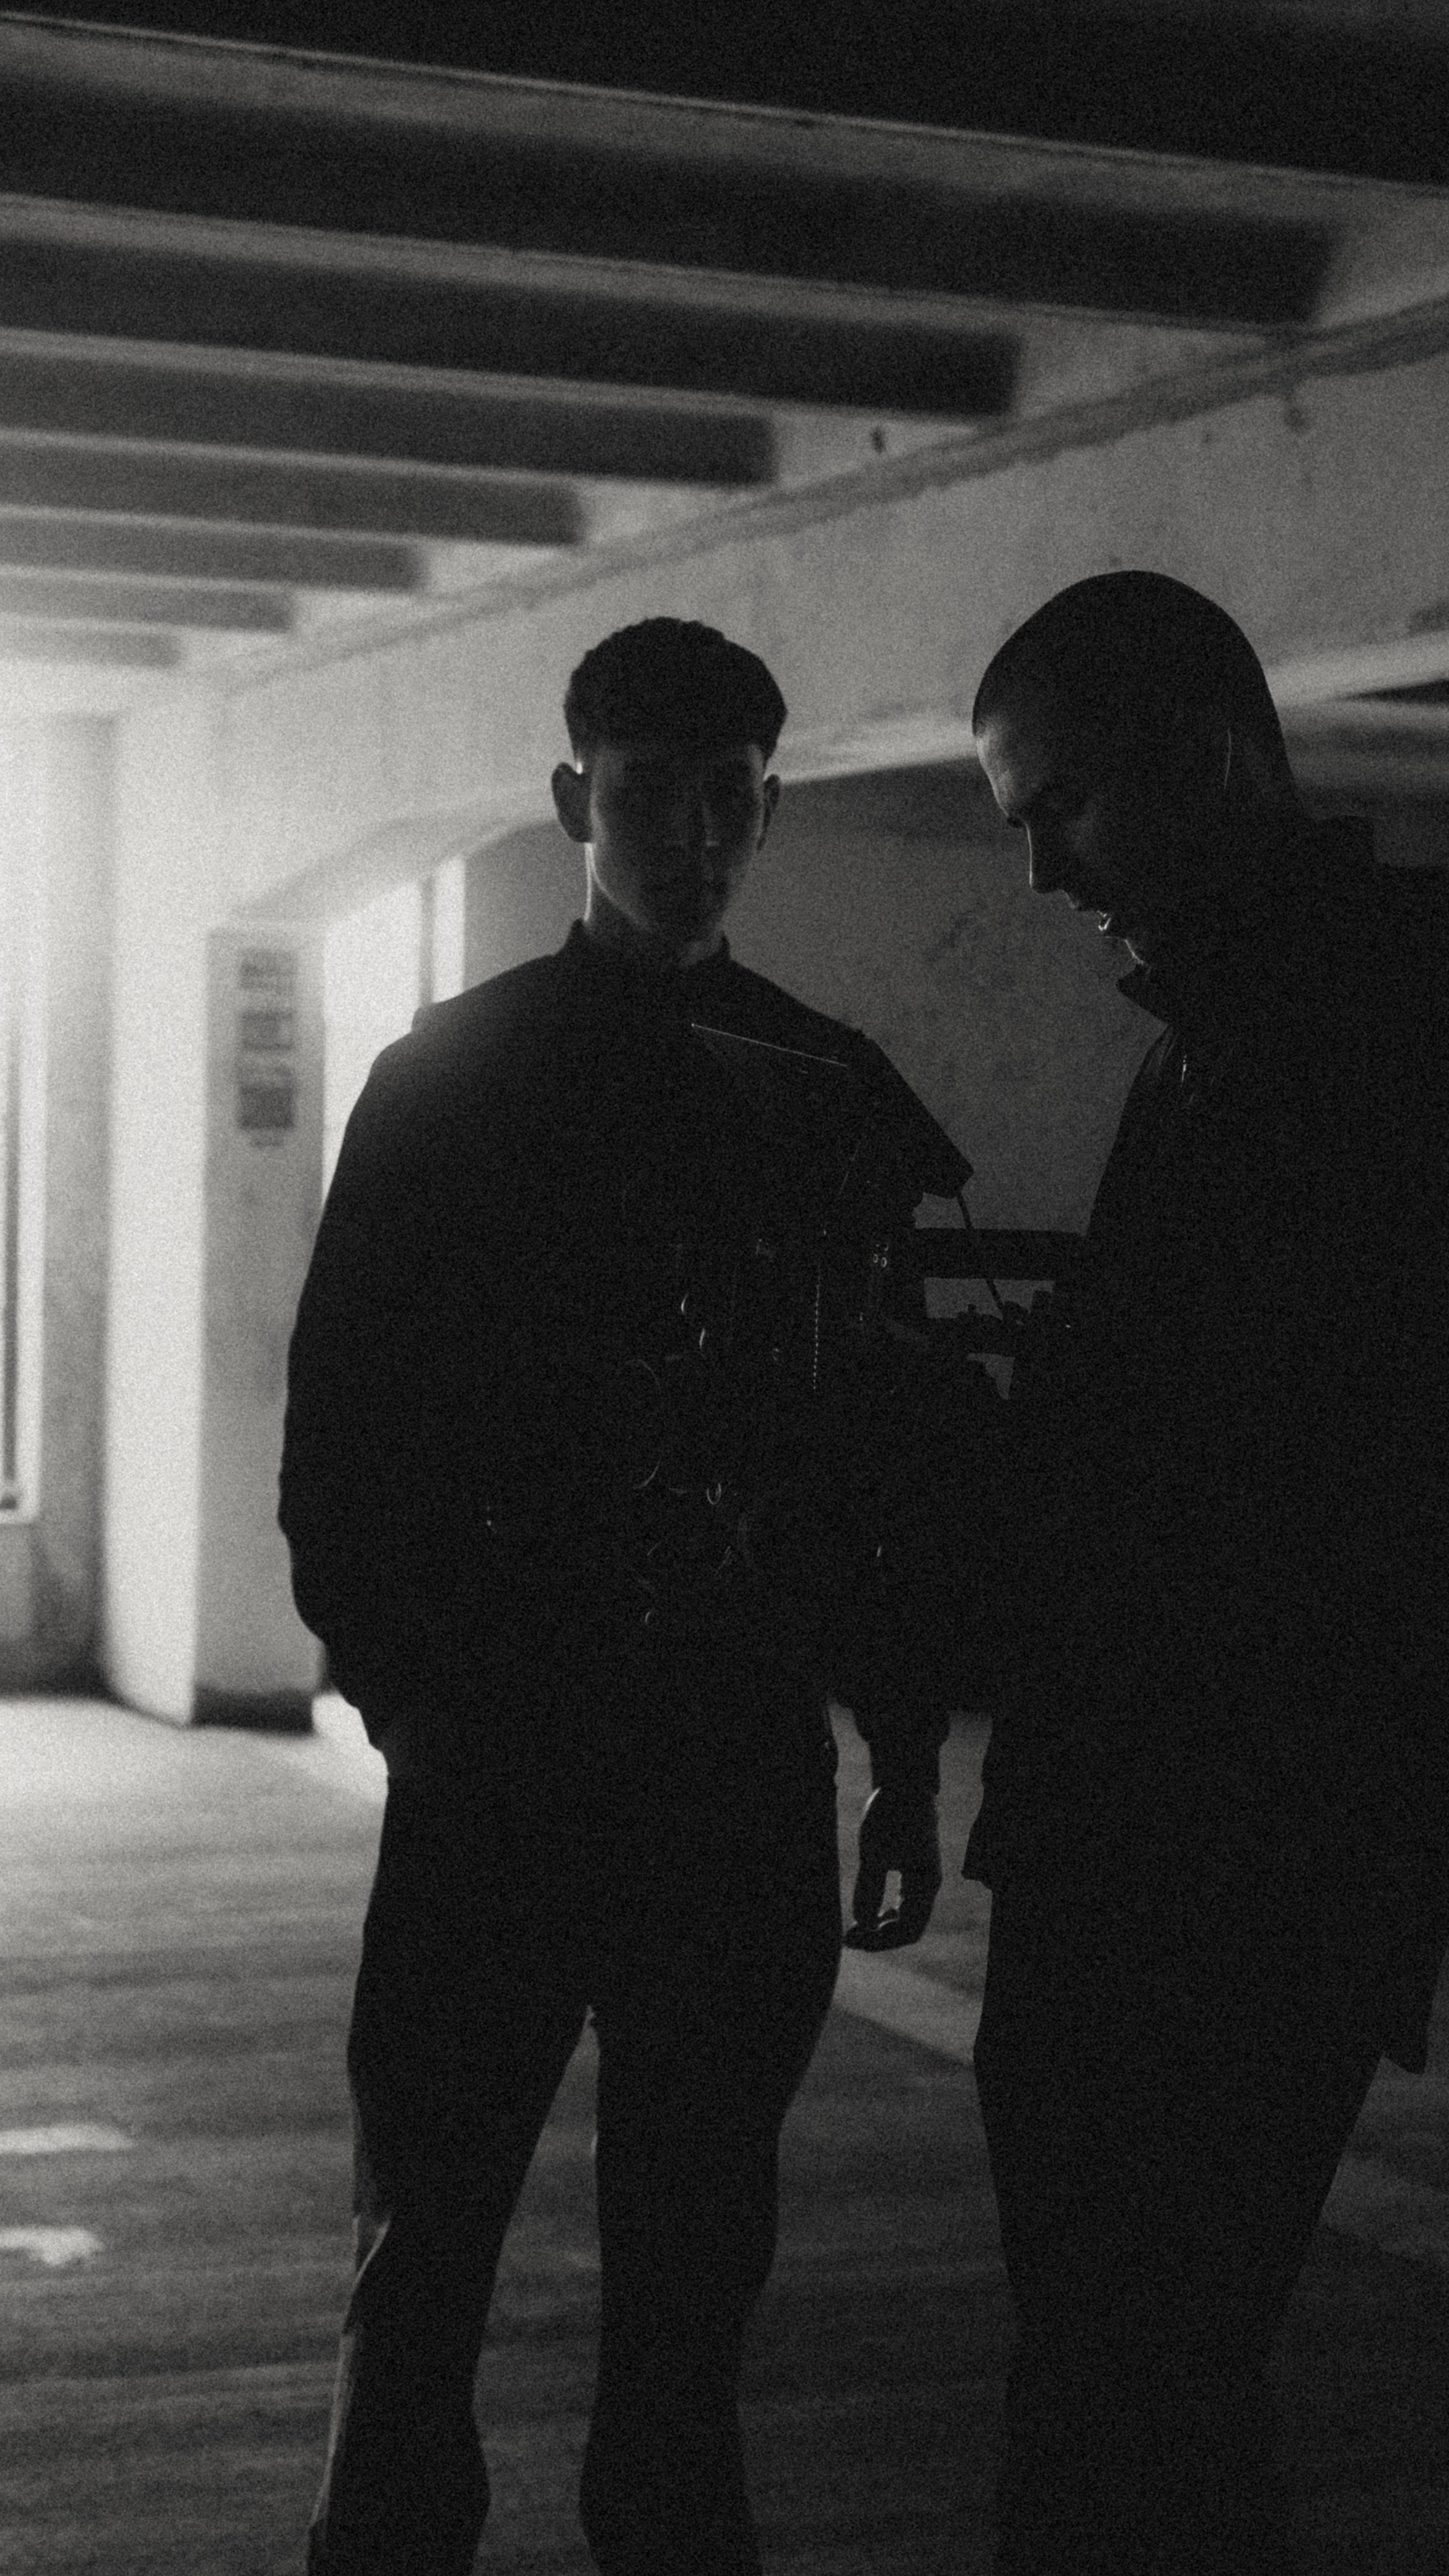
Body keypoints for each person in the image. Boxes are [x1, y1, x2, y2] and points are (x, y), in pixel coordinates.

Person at [280, 617, 974, 2576]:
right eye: (655, 792)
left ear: (770, 804)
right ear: (578, 802)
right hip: (504, 1752)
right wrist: (409, 1696)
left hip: (728, 1767)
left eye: (735, 795)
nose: (698, 831)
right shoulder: (450, 1077)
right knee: (426, 2240)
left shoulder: (831, 1090)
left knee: (695, 2257)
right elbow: (345, 1428)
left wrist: (903, 1755)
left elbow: (886, 1468)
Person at [963, 570, 1449, 2575]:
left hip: (1221, 1846)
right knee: (1148, 2383)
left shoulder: (1334, 1032)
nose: (1040, 866)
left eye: (1056, 804)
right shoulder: (1277, 1012)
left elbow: (1295, 1464)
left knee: (1133, 2382)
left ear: (1206, 758)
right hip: (1205, 1837)